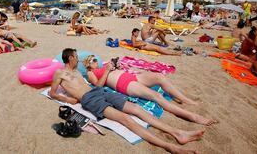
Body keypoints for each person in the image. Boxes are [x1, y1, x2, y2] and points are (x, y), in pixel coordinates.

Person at [50, 48, 205, 154]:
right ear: (70, 57)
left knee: (137, 109)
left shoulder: (77, 71)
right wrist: (67, 99)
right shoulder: (59, 73)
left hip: (98, 91)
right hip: (89, 99)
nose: (78, 59)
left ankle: (178, 133)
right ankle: (170, 147)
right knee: (125, 119)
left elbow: (89, 85)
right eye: (76, 57)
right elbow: (52, 92)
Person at [84, 55, 218, 125]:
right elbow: (98, 86)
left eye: (96, 59)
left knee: (160, 77)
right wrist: (107, 70)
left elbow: (115, 71)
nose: (96, 61)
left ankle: (185, 99)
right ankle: (191, 116)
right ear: (88, 64)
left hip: (132, 77)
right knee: (156, 96)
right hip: (124, 84)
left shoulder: (104, 66)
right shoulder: (91, 73)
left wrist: (116, 67)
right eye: (93, 60)